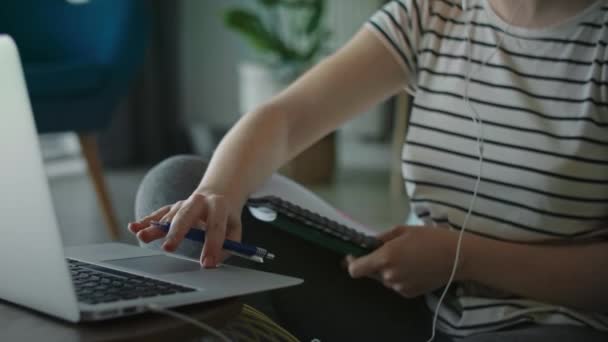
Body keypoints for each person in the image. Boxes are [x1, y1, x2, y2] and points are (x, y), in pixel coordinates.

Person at [128, 0, 608, 341]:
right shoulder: (432, 13)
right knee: (178, 189)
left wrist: (460, 258)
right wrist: (217, 191)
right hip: (417, 304)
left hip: (551, 322)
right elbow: (286, 117)